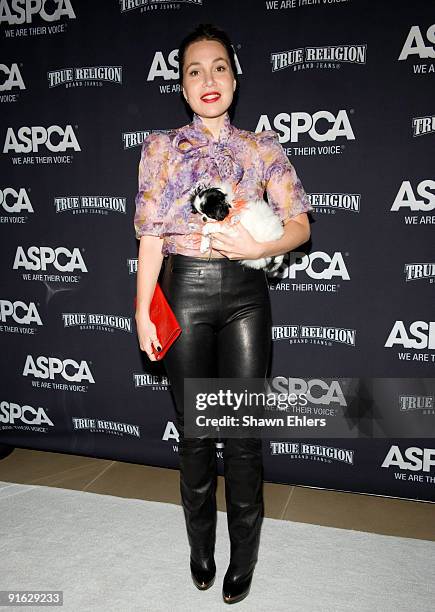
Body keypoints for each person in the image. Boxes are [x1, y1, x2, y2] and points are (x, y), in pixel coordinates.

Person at [134, 23, 313, 605]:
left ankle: (246, 558)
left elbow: (300, 224)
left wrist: (258, 248)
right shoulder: (161, 148)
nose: (207, 80)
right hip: (182, 291)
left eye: (218, 68)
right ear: (182, 87)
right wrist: (142, 310)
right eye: (194, 71)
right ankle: (200, 548)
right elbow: (152, 239)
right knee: (194, 435)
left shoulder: (262, 147)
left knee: (241, 437)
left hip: (244, 297)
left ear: (234, 78)